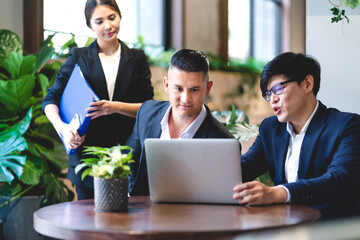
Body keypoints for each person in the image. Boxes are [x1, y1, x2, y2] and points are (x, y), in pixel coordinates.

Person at [42, 0, 154, 200]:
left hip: (126, 157)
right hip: (87, 158)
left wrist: (115, 107)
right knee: (88, 225)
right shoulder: (78, 56)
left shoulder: (137, 59)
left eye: (112, 18)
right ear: (90, 26)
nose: (108, 26)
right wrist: (63, 128)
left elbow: (148, 108)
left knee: (125, 224)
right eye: (99, 21)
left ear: (120, 17)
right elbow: (51, 99)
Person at [233, 52, 360, 219]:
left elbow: (337, 180)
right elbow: (245, 166)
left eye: (278, 89)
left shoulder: (347, 125)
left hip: (332, 228)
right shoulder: (271, 128)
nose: (273, 100)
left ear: (307, 84)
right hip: (285, 226)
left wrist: (278, 193)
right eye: (268, 94)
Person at [126, 49, 239, 196]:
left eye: (194, 90)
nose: (186, 99)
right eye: (178, 89)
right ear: (166, 85)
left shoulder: (224, 142)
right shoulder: (147, 112)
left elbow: (223, 195)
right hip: (143, 213)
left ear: (208, 88)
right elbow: (128, 161)